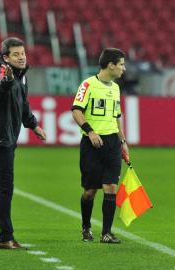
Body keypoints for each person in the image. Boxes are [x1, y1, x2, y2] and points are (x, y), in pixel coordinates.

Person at [0, 37, 46, 249]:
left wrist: (33, 125)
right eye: (16, 54)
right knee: (4, 187)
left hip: (3, 137)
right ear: (6, 58)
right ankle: (6, 236)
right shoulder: (3, 73)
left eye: (23, 53)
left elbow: (23, 105)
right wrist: (5, 81)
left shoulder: (21, 77)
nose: (22, 57)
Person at [71, 48, 130, 244]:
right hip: (92, 144)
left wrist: (123, 142)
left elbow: (116, 117)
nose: (123, 68)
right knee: (90, 191)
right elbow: (77, 111)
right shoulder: (87, 85)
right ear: (111, 65)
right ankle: (86, 227)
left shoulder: (115, 88)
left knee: (111, 187)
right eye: (121, 64)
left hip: (112, 143)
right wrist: (90, 131)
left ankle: (106, 233)